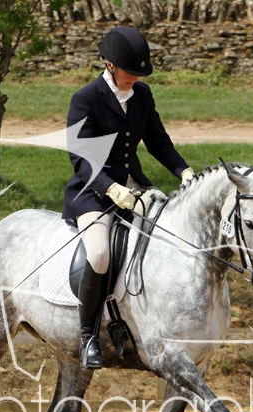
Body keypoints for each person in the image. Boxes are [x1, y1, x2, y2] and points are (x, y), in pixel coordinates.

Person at [63, 26, 195, 369]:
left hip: (135, 188)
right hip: (94, 193)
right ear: (109, 65)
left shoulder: (142, 95)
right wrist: (109, 187)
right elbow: (81, 159)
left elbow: (157, 140)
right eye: (130, 72)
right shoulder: (85, 99)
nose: (135, 79)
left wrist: (183, 170)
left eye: (139, 73)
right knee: (100, 254)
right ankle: (88, 336)